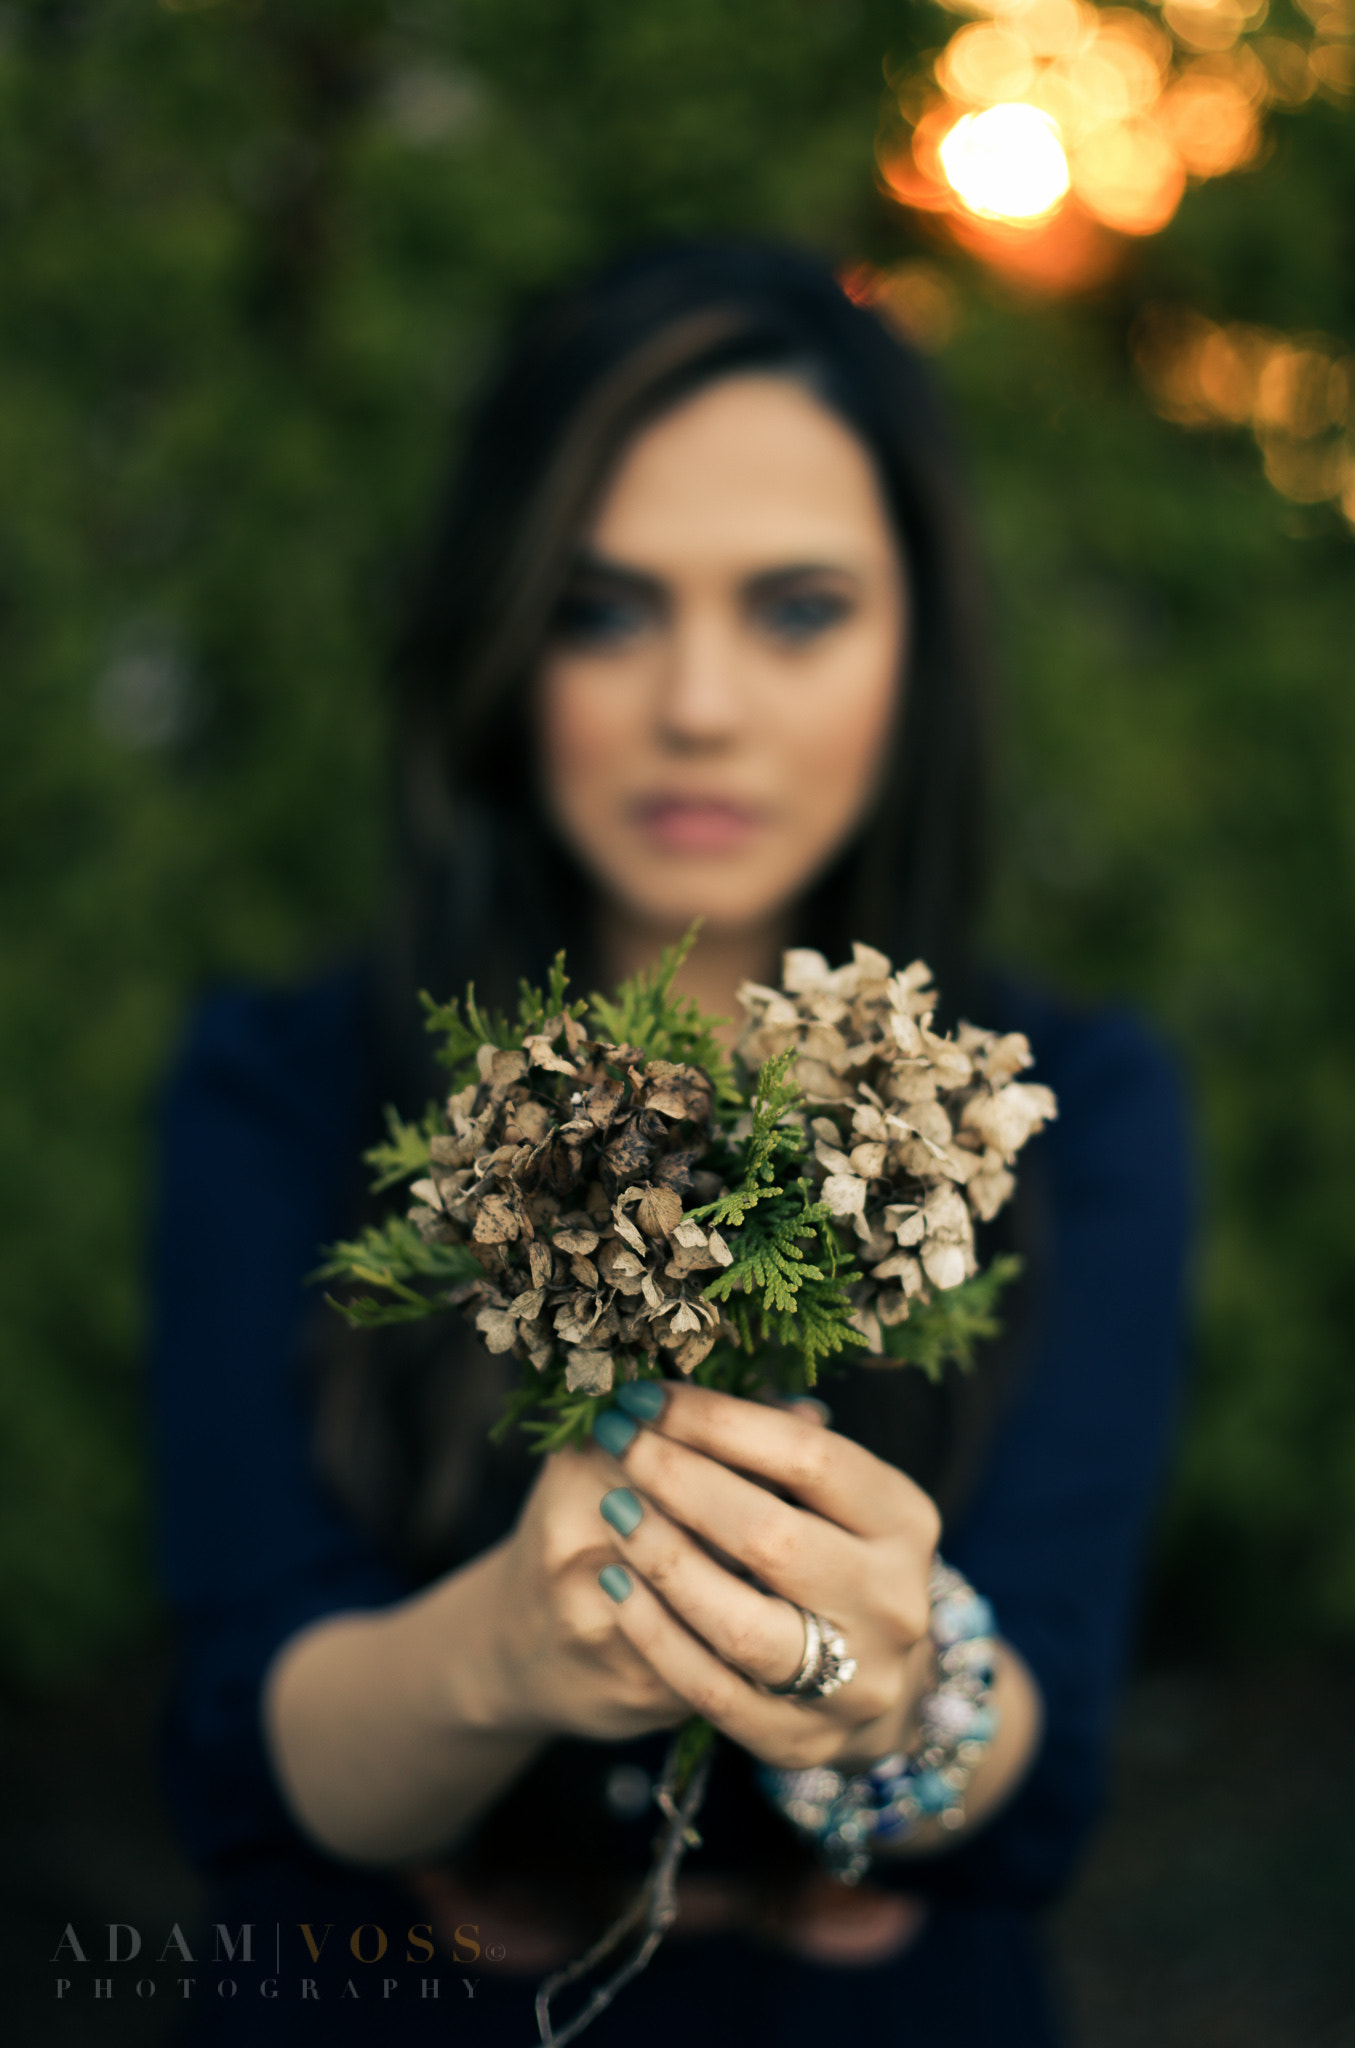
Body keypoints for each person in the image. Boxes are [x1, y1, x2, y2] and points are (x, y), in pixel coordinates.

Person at [150, 243, 1190, 2046]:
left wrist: (892, 1702)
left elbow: (1040, 1749)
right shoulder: (290, 1086)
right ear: (501, 636)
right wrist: (506, 1653)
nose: (698, 704)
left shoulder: (1065, 1108)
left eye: (798, 610)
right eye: (605, 609)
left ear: (919, 641)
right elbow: (257, 1737)